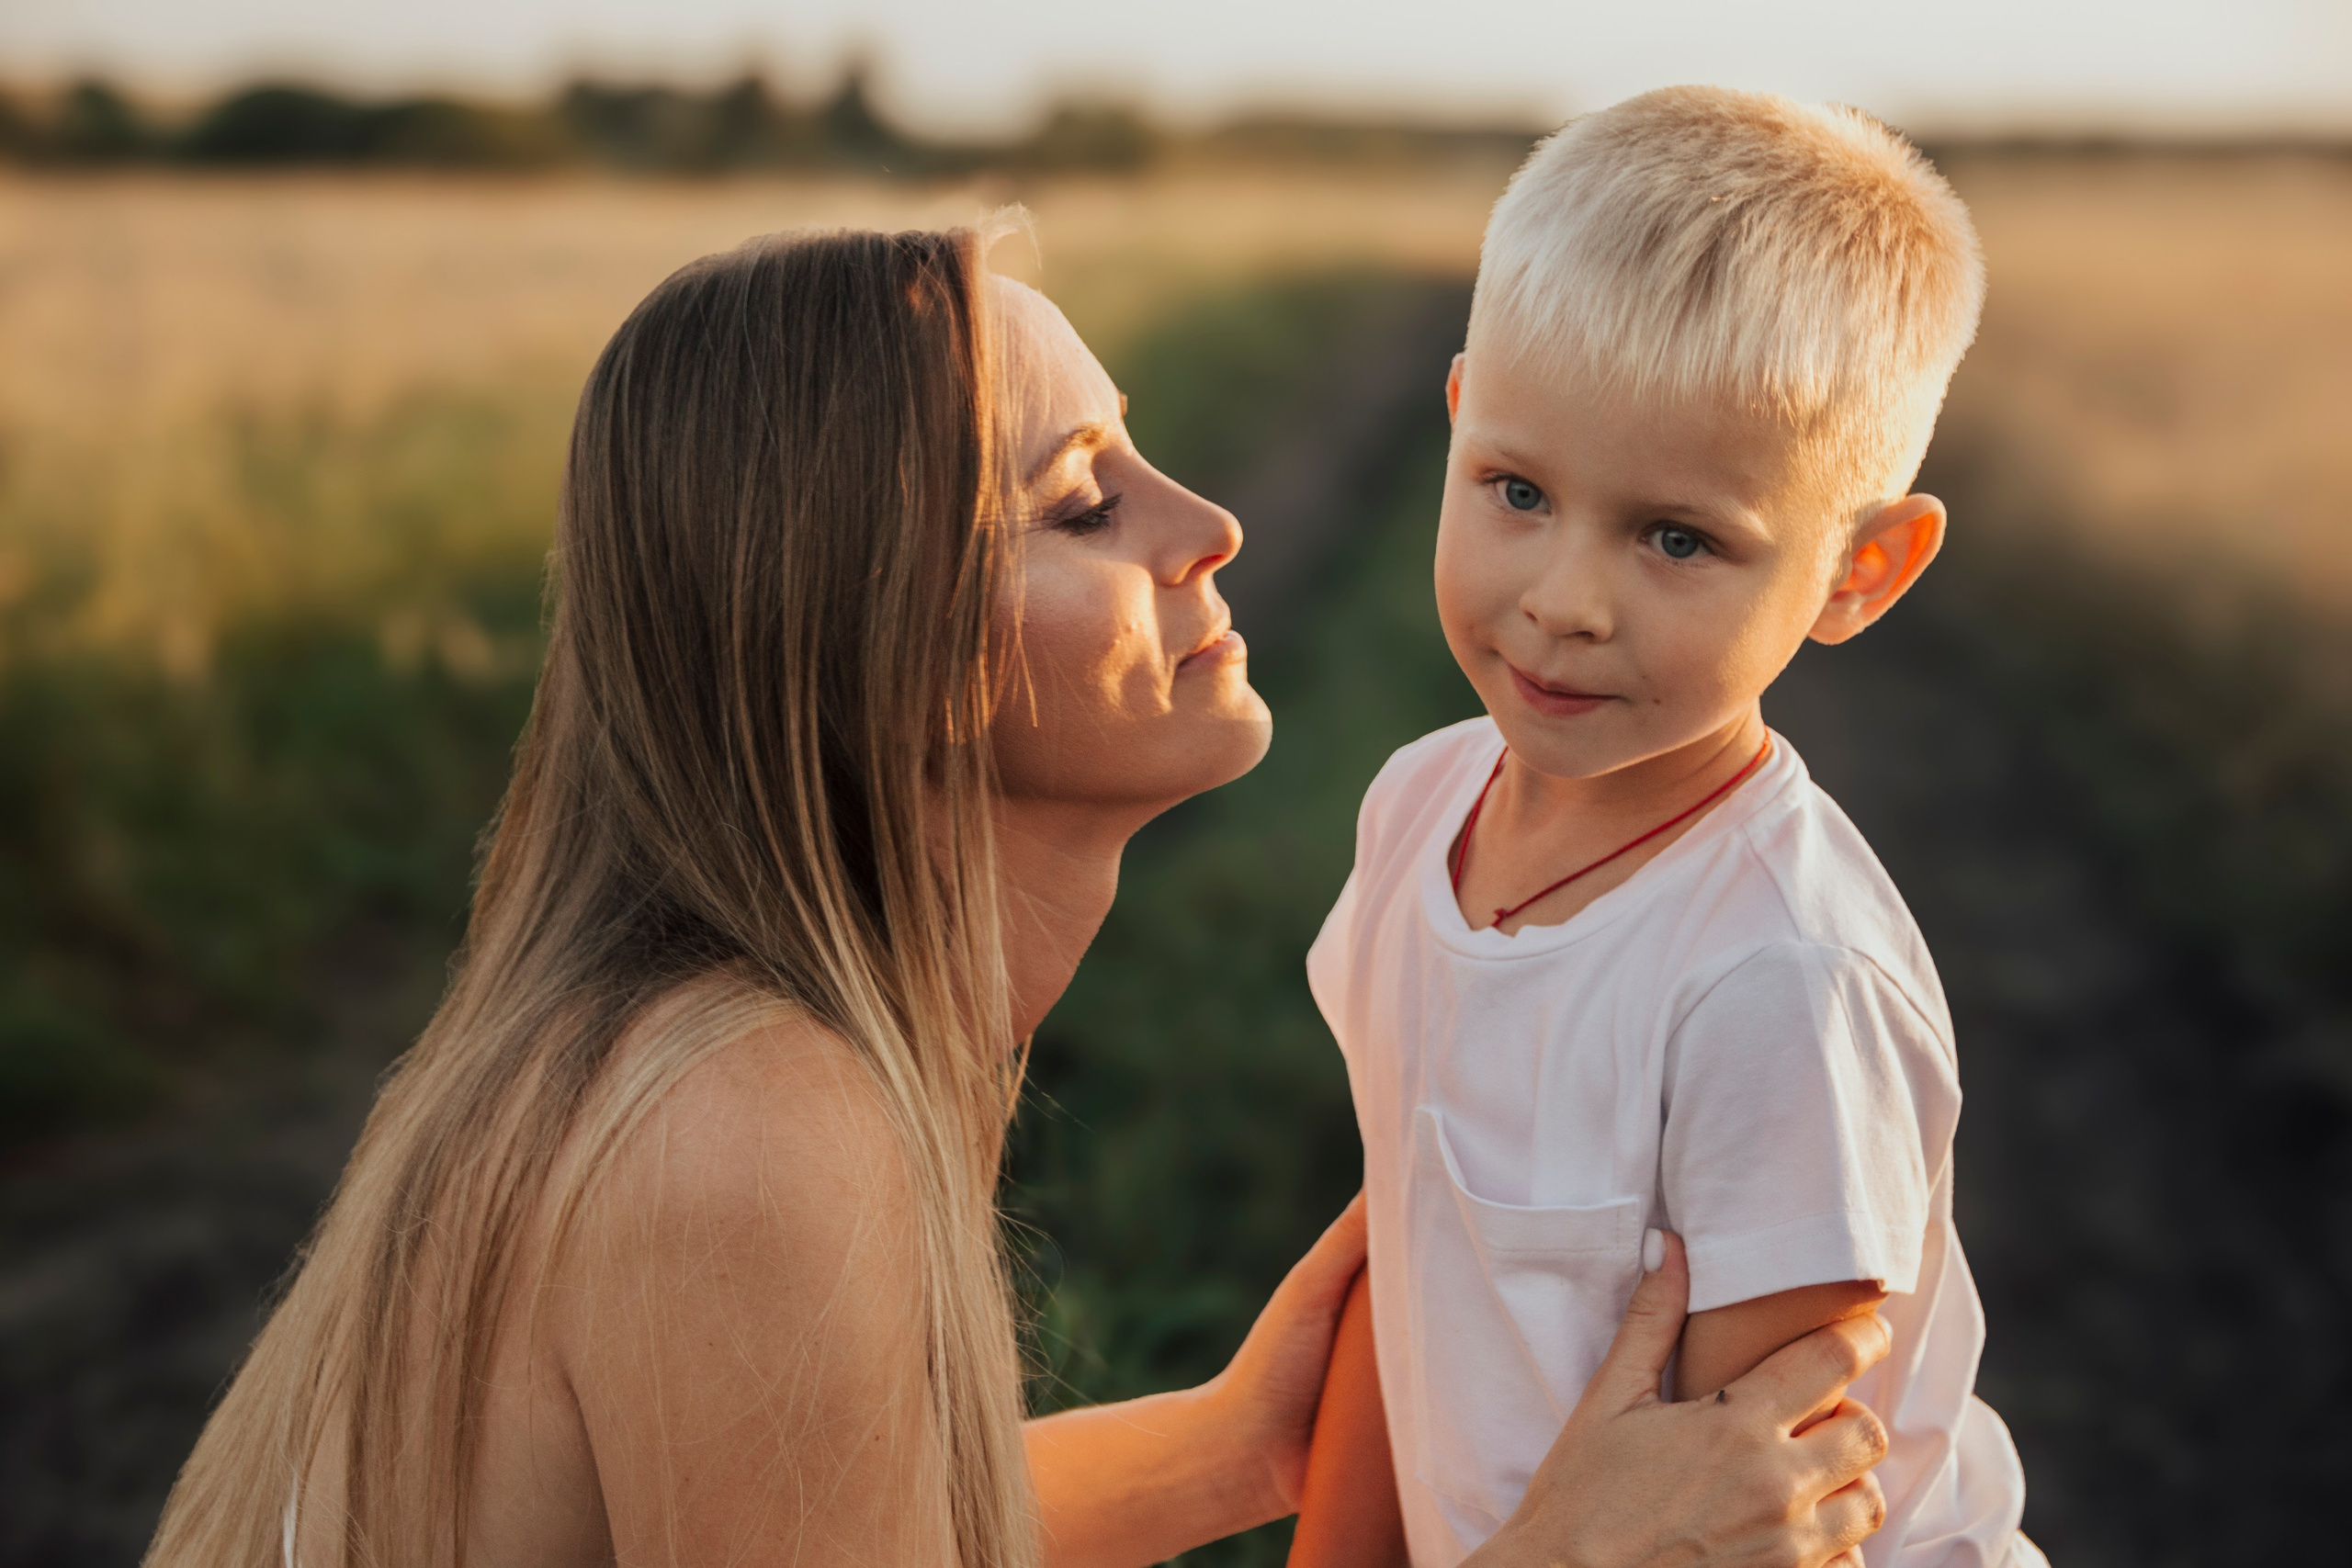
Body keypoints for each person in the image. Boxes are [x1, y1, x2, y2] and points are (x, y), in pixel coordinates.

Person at [144, 223, 1894, 1568]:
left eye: (1137, 455)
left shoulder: (734, 1045)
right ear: (867, 641)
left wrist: (1236, 1444)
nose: (1203, 520)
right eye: (1079, 506)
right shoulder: (750, 1123)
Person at [1290, 87, 2043, 1568]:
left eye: (1677, 537)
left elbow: (1750, 1510)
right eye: (1517, 490)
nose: (1567, 598)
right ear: (1455, 426)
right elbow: (1412, 1253)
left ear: (1860, 569)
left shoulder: (1779, 984)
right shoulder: (1418, 810)